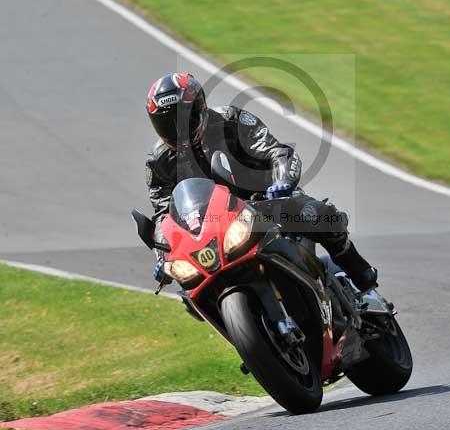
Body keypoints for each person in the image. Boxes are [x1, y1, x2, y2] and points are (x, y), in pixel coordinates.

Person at [145, 72, 378, 294]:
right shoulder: (159, 162)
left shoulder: (230, 121)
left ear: (200, 107)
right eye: (167, 123)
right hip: (213, 232)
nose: (178, 130)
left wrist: (282, 181)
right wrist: (163, 258)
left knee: (320, 215)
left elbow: (277, 153)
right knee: (188, 289)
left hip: (265, 205)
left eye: (185, 119)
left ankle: (358, 270)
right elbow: (163, 216)